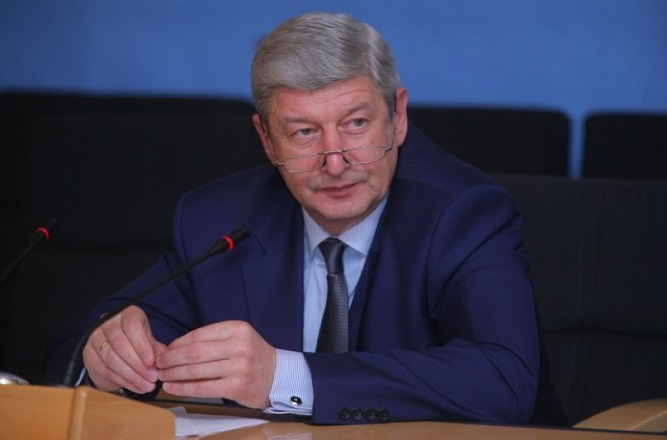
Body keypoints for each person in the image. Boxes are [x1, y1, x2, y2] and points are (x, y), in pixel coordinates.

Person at [44, 11, 566, 426]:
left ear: (398, 116)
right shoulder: (219, 218)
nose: (335, 162)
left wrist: (284, 376)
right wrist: (103, 355)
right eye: (304, 133)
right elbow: (74, 347)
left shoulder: (463, 212)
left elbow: (503, 379)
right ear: (266, 139)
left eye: (356, 123)